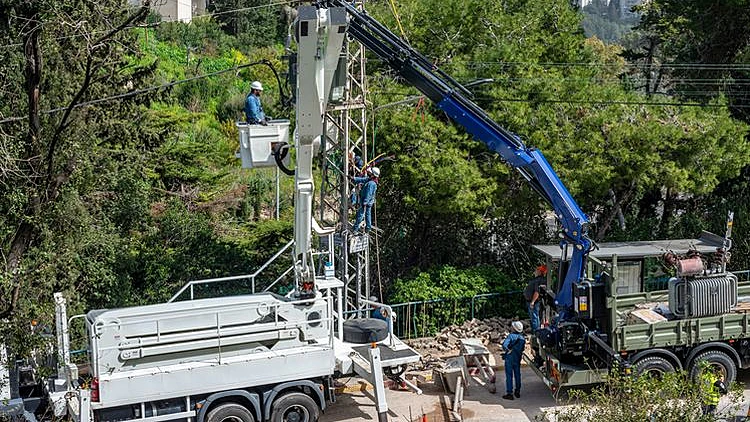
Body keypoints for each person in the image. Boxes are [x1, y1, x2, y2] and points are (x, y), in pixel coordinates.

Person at [502, 321, 526, 400]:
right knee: (517, 375)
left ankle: (509, 393)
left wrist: (507, 350)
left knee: (509, 375)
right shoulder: (522, 338)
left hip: (509, 358)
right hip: (517, 358)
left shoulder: (511, 336)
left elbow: (504, 345)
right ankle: (517, 391)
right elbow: (522, 349)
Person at [352, 167, 379, 233]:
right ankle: (367, 228)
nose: (369, 172)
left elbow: (369, 194)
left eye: (370, 172)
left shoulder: (371, 183)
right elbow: (363, 179)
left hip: (366, 202)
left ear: (373, 174)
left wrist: (365, 202)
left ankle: (355, 229)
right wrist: (354, 179)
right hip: (367, 202)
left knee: (361, 215)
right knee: (367, 215)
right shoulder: (371, 180)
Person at [523, 265, 547, 332]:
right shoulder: (538, 279)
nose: (535, 271)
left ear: (540, 272)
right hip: (531, 301)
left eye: (537, 270)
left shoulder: (538, 280)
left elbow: (537, 292)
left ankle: (536, 332)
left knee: (534, 317)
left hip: (534, 302)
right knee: (535, 316)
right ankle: (536, 330)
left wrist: (532, 302)